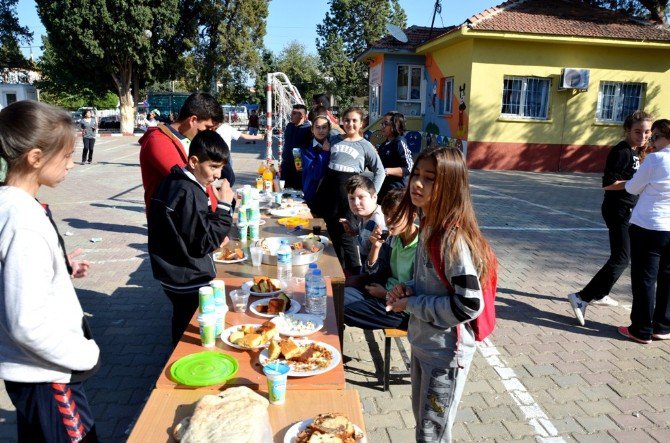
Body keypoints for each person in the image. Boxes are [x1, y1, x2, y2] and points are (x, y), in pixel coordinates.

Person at [0, 100, 101, 442]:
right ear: (36, 157)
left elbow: (14, 276)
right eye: (67, 155)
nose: (72, 164)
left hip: (30, 372)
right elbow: (25, 323)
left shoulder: (11, 205)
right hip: (46, 374)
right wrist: (85, 354)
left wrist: (61, 266)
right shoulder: (23, 221)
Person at [386, 147, 493, 442]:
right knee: (424, 425)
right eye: (416, 175)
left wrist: (413, 303)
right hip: (424, 345)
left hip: (444, 354)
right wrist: (409, 287)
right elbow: (433, 281)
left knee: (432, 433)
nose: (417, 183)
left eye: (430, 178)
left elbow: (469, 304)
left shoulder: (452, 239)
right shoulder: (428, 225)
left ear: (450, 185)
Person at [147, 130, 235, 345]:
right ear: (194, 161)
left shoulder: (174, 180)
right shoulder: (189, 191)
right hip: (186, 275)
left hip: (172, 270)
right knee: (192, 326)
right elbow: (202, 243)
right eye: (213, 167)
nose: (217, 174)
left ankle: (177, 351)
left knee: (181, 318)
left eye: (221, 167)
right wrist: (224, 206)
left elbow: (192, 228)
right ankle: (182, 362)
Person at [568, 110, 653, 325]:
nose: (642, 136)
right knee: (621, 258)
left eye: (647, 132)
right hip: (618, 210)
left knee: (623, 255)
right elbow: (607, 182)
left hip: (628, 210)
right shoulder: (622, 151)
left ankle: (601, 292)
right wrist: (635, 184)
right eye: (637, 131)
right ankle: (582, 297)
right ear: (627, 130)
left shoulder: (636, 152)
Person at [313, 107, 385, 274]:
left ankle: (355, 274)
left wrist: (371, 195)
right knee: (331, 233)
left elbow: (380, 171)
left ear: (362, 123)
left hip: (349, 197)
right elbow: (319, 130)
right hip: (329, 193)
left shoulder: (366, 145)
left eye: (354, 121)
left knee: (348, 236)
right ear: (341, 122)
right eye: (347, 120)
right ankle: (336, 273)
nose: (350, 124)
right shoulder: (334, 138)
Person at [619, 119, 670, 344]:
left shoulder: (657, 159)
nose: (651, 140)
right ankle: (663, 326)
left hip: (648, 226)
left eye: (655, 136)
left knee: (644, 279)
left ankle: (641, 329)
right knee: (667, 278)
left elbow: (631, 187)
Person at [344, 188, 416, 330]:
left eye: (395, 216)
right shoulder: (392, 239)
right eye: (387, 215)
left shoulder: (422, 248)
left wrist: (385, 294)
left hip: (402, 309)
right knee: (336, 296)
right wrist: (375, 248)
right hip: (380, 290)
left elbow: (420, 292)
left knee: (341, 307)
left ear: (413, 216)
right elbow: (373, 273)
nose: (389, 221)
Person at [139, 92, 223, 213]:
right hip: (171, 225)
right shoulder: (157, 140)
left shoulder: (188, 139)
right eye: (207, 128)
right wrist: (222, 212)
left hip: (193, 218)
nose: (210, 134)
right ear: (193, 120)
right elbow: (190, 181)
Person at [341, 175, 386, 271]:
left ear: (374, 197)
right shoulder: (365, 214)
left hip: (374, 273)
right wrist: (354, 231)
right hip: (365, 268)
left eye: (361, 197)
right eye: (352, 198)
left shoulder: (379, 223)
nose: (356, 203)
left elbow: (381, 261)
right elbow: (365, 233)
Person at [377, 111, 413, 201]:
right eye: (382, 124)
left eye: (386, 124)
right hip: (384, 190)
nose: (382, 127)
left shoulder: (399, 142)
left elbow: (409, 168)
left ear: (395, 125)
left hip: (397, 192)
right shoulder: (383, 145)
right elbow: (378, 168)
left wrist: (387, 171)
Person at [215, 123, 263, 187]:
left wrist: (260, 137)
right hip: (218, 154)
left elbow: (244, 136)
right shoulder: (211, 127)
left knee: (228, 177)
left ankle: (224, 189)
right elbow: (244, 136)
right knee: (227, 177)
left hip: (225, 154)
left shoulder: (226, 128)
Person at [302, 115, 331, 210]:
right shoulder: (306, 148)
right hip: (312, 193)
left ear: (329, 129)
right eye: (317, 127)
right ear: (312, 129)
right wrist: (324, 153)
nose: (321, 130)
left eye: (324, 127)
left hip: (330, 195)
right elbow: (316, 173)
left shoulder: (335, 145)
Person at [280, 104, 312, 190]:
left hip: (299, 165)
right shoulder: (289, 126)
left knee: (298, 191)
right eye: (292, 112)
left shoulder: (308, 129)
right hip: (286, 164)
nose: (291, 115)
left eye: (294, 113)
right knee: (284, 189)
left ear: (302, 115)